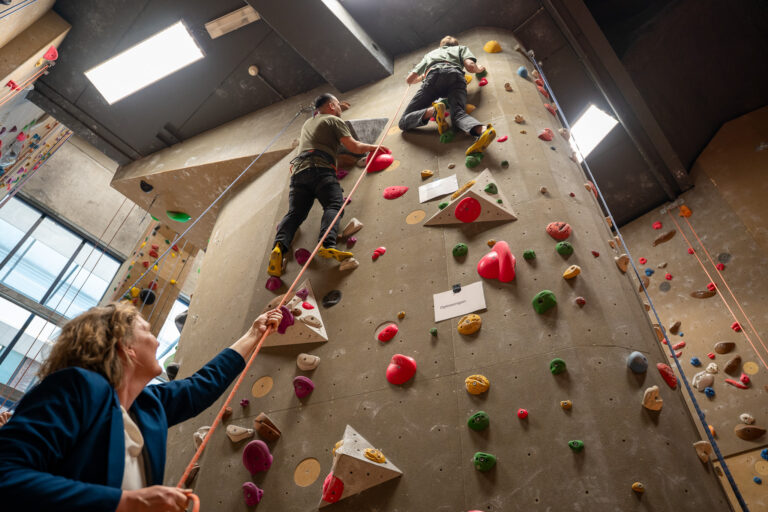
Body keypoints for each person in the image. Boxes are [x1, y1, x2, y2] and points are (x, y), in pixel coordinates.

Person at [0, 302, 282, 511]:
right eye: (147, 330)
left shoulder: (148, 406)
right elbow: (6, 472)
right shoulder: (78, 386)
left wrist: (252, 334)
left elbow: (201, 386)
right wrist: (126, 502)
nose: (157, 340)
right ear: (125, 345)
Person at [268, 93, 390, 277]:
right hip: (321, 169)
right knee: (334, 205)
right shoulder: (333, 120)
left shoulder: (308, 124)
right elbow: (354, 146)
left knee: (295, 213)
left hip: (298, 174)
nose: (340, 110)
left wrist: (338, 105)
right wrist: (375, 147)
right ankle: (327, 244)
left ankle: (279, 247)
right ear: (332, 106)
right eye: (337, 107)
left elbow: (322, 122)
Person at [398, 35, 496, 156]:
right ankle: (483, 131)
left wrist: (423, 76)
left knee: (403, 122)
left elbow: (410, 79)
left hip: (432, 78)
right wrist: (479, 69)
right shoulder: (461, 48)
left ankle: (434, 110)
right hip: (456, 77)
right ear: (455, 44)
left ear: (441, 45)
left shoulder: (430, 54)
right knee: (458, 114)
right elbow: (470, 66)